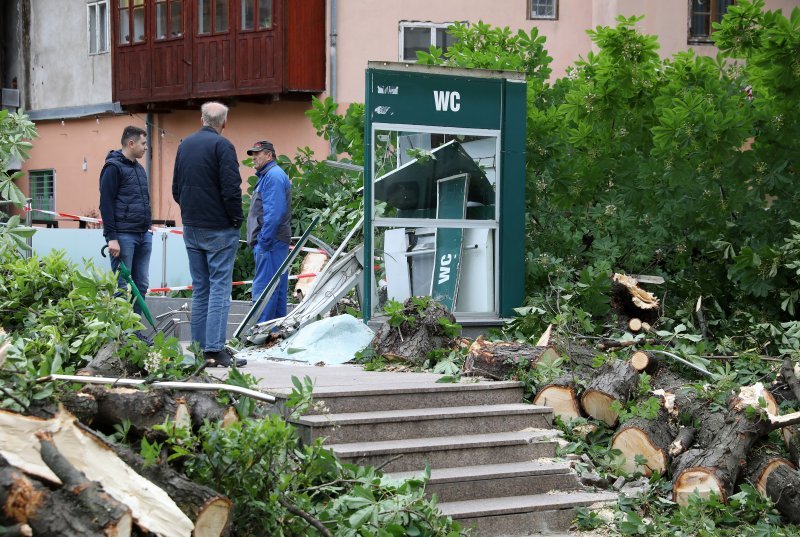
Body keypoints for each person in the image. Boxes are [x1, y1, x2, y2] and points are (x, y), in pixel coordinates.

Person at [172, 102, 247, 367]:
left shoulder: (184, 145)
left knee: (201, 288)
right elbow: (231, 188)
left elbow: (176, 189)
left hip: (192, 227)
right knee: (219, 289)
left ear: (200, 118)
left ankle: (199, 348)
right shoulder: (222, 146)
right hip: (219, 229)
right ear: (224, 123)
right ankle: (214, 350)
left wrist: (192, 214)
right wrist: (236, 219)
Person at [99, 125, 152, 332]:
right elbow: (106, 204)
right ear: (131, 143)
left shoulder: (139, 169)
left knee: (141, 286)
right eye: (143, 143)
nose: (145, 147)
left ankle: (135, 332)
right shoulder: (113, 168)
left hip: (143, 235)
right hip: (123, 237)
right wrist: (111, 237)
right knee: (122, 287)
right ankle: (122, 335)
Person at [245, 140, 292, 323]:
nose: (254, 158)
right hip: (275, 242)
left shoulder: (272, 176)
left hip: (270, 243)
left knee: (265, 292)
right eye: (253, 154)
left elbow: (274, 213)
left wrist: (263, 242)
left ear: (269, 155)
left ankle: (261, 337)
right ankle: (274, 335)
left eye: (258, 153)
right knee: (276, 291)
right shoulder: (272, 175)